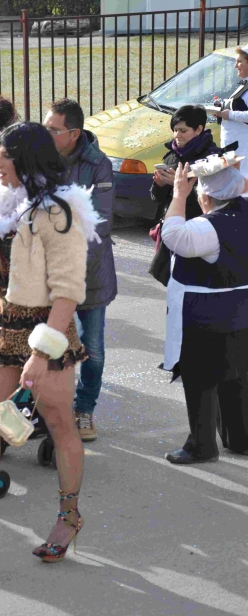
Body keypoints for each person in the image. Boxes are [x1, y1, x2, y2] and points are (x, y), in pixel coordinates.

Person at [0, 121, 103, 566]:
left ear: (26, 158)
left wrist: (42, 354)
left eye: (4, 155)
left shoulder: (61, 212)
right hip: (4, 319)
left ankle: (69, 516)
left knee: (60, 423)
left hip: (48, 326)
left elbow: (69, 290)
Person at [161, 159, 248, 465]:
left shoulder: (207, 227)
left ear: (206, 198)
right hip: (242, 310)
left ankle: (201, 445)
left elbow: (174, 236)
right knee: (236, 377)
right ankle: (240, 438)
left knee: (200, 382)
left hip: (205, 316)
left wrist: (177, 196)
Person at [44, 98, 116, 442]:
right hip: (47, 275)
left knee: (93, 349)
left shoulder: (98, 164)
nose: (46, 134)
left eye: (53, 129)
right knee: (49, 344)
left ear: (73, 133)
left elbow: (99, 226)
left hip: (89, 274)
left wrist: (69, 269)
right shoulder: (41, 158)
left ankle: (84, 409)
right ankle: (50, 411)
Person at [151, 104, 222, 221]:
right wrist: (159, 185)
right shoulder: (171, 156)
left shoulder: (212, 158)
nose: (177, 135)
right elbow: (157, 200)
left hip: (200, 227)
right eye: (175, 130)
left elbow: (216, 201)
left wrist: (180, 185)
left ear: (198, 129)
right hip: (171, 226)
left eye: (183, 131)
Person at [218, 45, 248, 179]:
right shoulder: (244, 84)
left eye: (239, 61)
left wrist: (230, 114)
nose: (236, 66)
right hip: (234, 149)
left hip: (244, 153)